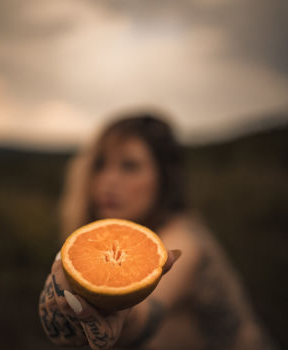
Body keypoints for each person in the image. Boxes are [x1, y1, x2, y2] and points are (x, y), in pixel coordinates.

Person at [39, 111, 275, 350]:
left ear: (164, 178)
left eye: (129, 166)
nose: (108, 180)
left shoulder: (184, 242)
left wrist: (123, 319)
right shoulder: (107, 239)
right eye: (100, 164)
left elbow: (147, 309)